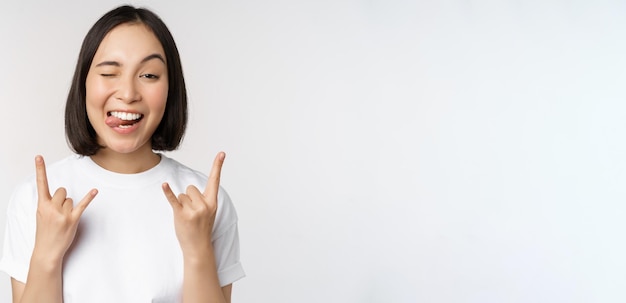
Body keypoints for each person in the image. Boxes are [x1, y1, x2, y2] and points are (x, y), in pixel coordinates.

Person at [0, 5, 244, 303]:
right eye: (109, 73)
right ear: (84, 83)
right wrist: (46, 257)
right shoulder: (36, 200)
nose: (128, 93)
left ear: (171, 88)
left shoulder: (205, 204)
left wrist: (197, 252)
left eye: (149, 75)